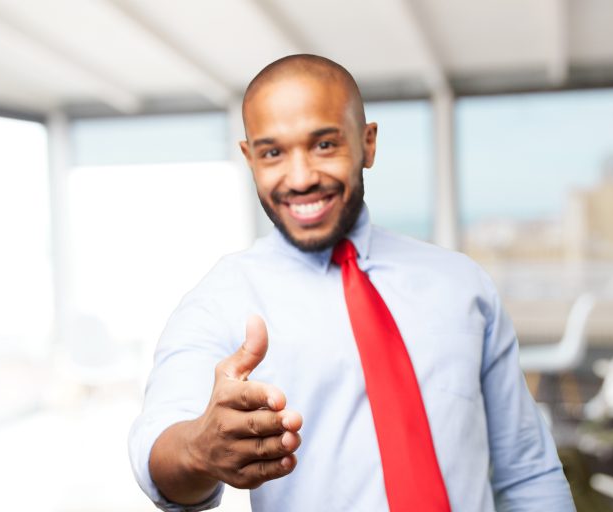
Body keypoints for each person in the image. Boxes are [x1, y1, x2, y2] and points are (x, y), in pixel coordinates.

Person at [129, 54, 575, 511]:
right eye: (273, 152)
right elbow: (157, 448)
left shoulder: (462, 286)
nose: (300, 178)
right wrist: (199, 450)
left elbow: (527, 471)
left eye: (323, 145)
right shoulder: (222, 298)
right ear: (249, 158)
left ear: (368, 143)